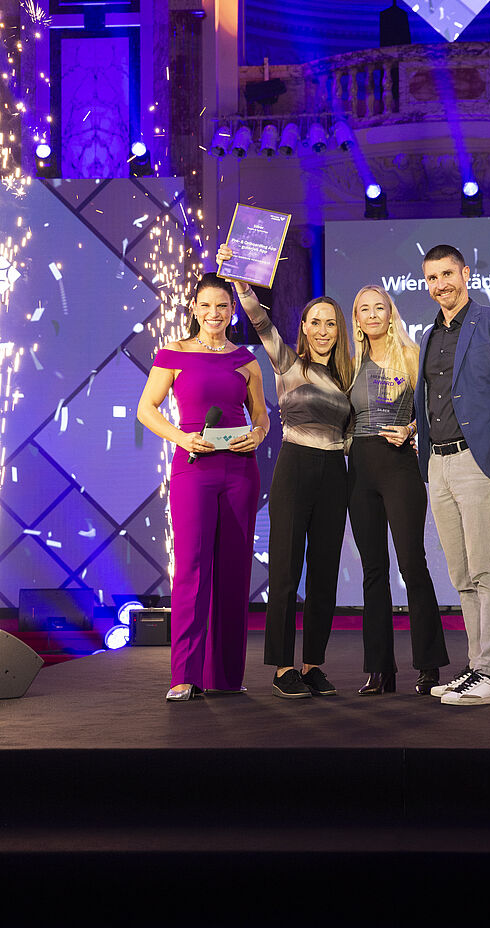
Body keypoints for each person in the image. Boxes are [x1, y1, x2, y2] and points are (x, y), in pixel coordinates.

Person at [216, 244, 353, 699]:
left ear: (339, 330)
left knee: (324, 571)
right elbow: (257, 318)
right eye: (314, 322)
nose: (321, 330)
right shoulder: (288, 363)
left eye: (330, 323)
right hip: (295, 468)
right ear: (304, 328)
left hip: (336, 472)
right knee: (286, 571)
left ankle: (314, 664)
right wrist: (239, 278)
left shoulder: (348, 376)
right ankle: (281, 668)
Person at [137, 272, 270, 701]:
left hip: (240, 470)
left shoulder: (245, 359)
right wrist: (180, 437)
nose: (215, 314)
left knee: (234, 571)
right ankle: (184, 675)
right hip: (193, 465)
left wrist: (259, 434)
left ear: (233, 312)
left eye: (223, 306)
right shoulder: (172, 354)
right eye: (207, 305)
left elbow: (262, 416)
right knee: (192, 568)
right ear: (194, 307)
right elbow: (147, 409)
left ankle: (227, 675)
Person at [414, 245, 490, 707]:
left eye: (447, 274)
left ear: (465, 273)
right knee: (462, 574)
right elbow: (437, 399)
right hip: (438, 464)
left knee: (487, 569)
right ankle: (475, 668)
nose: (441, 284)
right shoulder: (428, 336)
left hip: (479, 461)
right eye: (431, 278)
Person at [348, 284, 449, 694]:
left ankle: (428, 665)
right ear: (355, 318)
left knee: (412, 564)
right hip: (359, 468)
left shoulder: (411, 354)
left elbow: (431, 411)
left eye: (379, 308)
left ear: (391, 313)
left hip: (400, 467)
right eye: (363, 309)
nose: (372, 315)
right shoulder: (348, 363)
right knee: (373, 571)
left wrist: (409, 429)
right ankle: (380, 670)